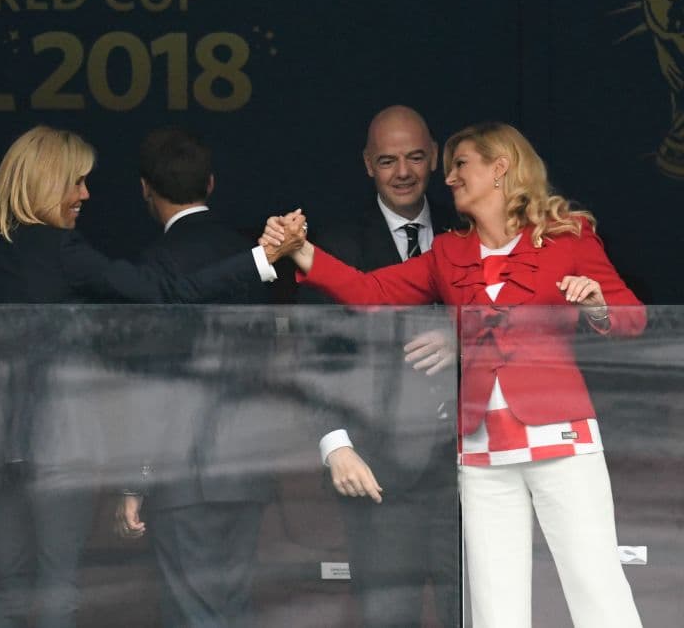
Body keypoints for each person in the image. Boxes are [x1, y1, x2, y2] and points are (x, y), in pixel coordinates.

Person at [264, 122, 645, 627]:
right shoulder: (448, 252)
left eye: (461, 165)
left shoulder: (567, 236)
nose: (448, 179)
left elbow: (632, 317)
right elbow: (370, 292)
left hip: (562, 439)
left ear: (500, 167)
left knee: (596, 588)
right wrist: (299, 249)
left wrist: (595, 305)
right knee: (493, 605)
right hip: (482, 451)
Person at [0, 124, 289, 628]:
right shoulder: (62, 251)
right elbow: (167, 295)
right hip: (59, 446)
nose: (85, 194)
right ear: (46, 183)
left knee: (12, 588)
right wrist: (261, 259)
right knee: (58, 587)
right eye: (76, 182)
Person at [295, 106, 459, 627]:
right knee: (388, 616)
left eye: (415, 157)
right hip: (378, 473)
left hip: (470, 469)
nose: (404, 172)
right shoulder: (338, 246)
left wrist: (465, 337)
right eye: (388, 161)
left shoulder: (469, 234)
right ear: (368, 165)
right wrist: (336, 446)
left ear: (435, 157)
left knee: (478, 613)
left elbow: (525, 323)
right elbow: (313, 356)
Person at [114, 126, 274, 627]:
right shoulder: (250, 259)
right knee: (234, 608)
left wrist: (134, 480)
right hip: (246, 466)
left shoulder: (154, 267)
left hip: (182, 474)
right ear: (210, 183)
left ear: (145, 189)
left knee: (196, 615)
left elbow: (152, 382)